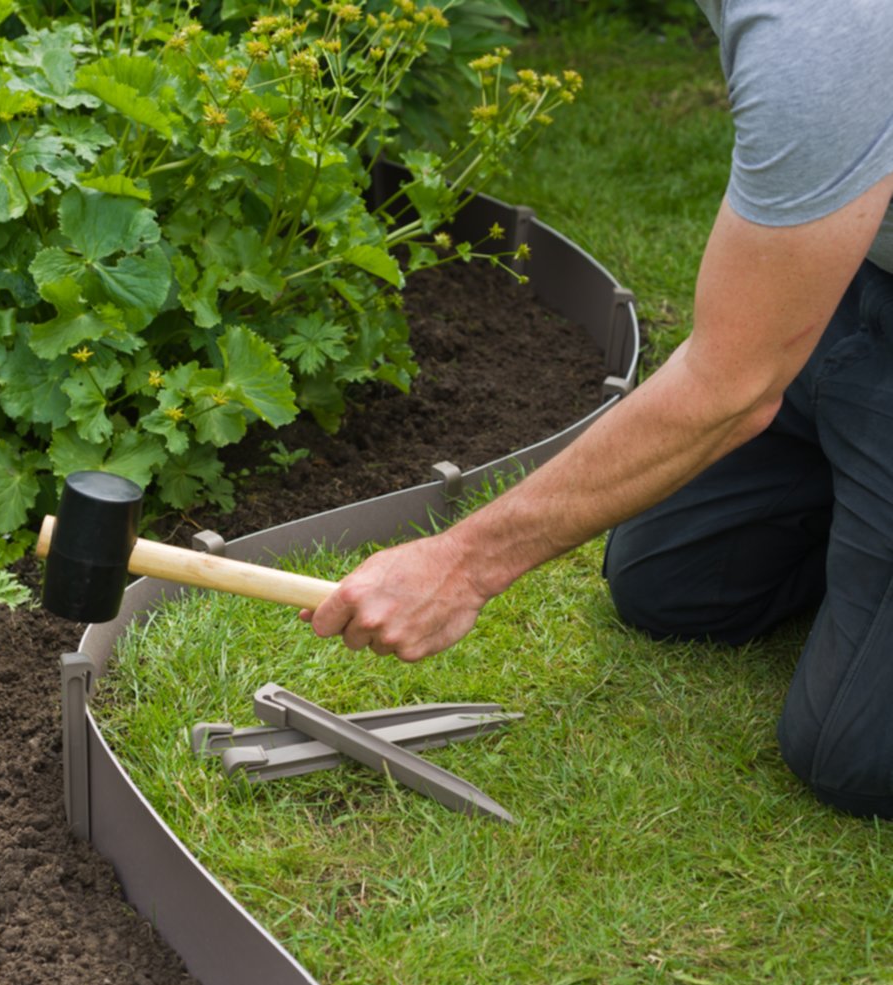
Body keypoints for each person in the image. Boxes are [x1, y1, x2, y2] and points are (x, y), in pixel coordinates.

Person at [303, 0, 893, 820]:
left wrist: (463, 564)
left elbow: (735, 388)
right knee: (671, 584)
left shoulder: (823, 29)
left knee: (852, 756)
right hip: (859, 282)